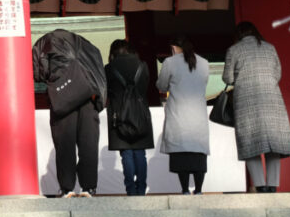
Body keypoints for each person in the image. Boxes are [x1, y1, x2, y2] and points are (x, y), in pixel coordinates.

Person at [32, 29, 106, 198]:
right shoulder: (87, 46)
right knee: (88, 144)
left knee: (64, 144)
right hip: (89, 98)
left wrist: (53, 78)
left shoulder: (45, 43)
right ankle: (89, 187)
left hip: (63, 98)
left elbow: (37, 72)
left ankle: (67, 188)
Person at [223, 21, 290, 193]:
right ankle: (272, 185)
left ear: (238, 34)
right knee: (274, 145)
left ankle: (260, 185)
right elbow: (277, 74)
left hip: (246, 102)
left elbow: (228, 79)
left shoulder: (234, 50)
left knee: (250, 145)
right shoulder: (270, 48)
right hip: (271, 99)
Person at [156, 35, 210, 195]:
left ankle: (185, 189)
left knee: (181, 154)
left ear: (173, 48)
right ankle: (199, 190)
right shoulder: (204, 62)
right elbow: (204, 84)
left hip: (178, 114)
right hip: (198, 115)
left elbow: (162, 85)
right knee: (198, 153)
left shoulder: (170, 62)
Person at [105, 39, 153, 196]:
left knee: (126, 153)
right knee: (140, 152)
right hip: (140, 114)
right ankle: (141, 190)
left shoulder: (109, 68)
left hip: (119, 116)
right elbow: (145, 87)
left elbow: (107, 91)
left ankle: (131, 191)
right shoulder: (142, 66)